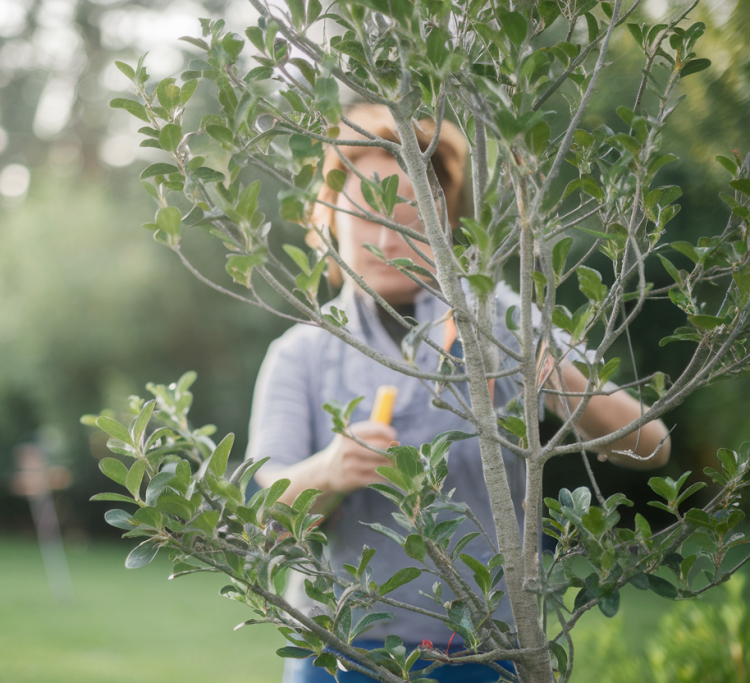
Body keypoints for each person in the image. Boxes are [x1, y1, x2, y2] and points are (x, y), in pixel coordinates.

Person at [246, 104, 671, 683]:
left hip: (489, 646)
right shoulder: (301, 352)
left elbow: (650, 444)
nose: (388, 237)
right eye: (368, 215)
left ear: (447, 224)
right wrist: (331, 471)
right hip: (340, 650)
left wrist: (542, 368)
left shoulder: (502, 321)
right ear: (329, 222)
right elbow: (266, 513)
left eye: (410, 214)